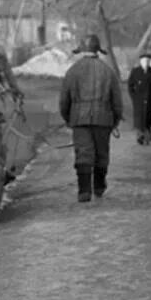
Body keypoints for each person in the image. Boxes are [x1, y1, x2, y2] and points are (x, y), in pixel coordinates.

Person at [59, 34, 124, 202]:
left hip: (79, 120)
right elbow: (117, 100)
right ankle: (99, 187)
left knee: (83, 153)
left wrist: (68, 118)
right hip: (104, 120)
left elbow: (64, 100)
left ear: (81, 50)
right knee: (102, 154)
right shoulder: (108, 71)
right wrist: (116, 119)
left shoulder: (72, 71)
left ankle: (84, 191)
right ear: (98, 50)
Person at [127, 52, 151, 145]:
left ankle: (147, 137)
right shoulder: (135, 71)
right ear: (140, 61)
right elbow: (130, 85)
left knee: (148, 118)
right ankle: (140, 136)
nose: (146, 62)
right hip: (138, 100)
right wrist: (133, 97)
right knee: (139, 119)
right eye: (144, 60)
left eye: (148, 61)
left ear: (150, 62)